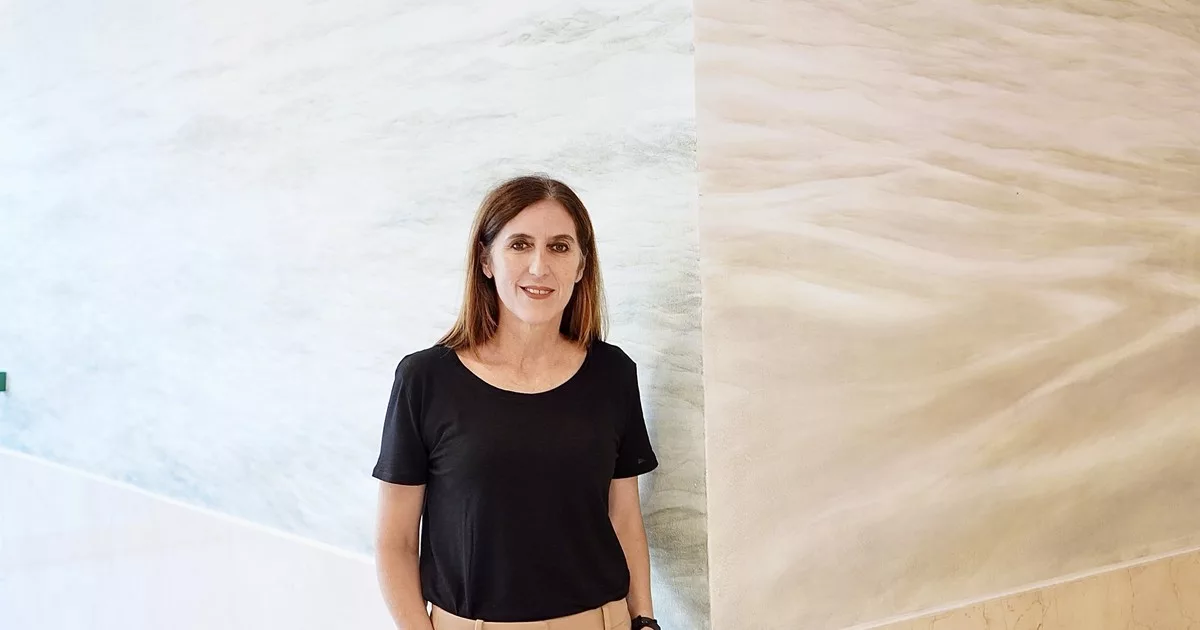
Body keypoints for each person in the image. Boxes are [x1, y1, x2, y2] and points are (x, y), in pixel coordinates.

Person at [372, 175, 662, 630]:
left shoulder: (613, 374)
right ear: (486, 260)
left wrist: (644, 619)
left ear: (582, 265)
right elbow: (396, 542)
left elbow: (623, 517)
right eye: (520, 245)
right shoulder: (425, 380)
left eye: (560, 247)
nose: (539, 267)